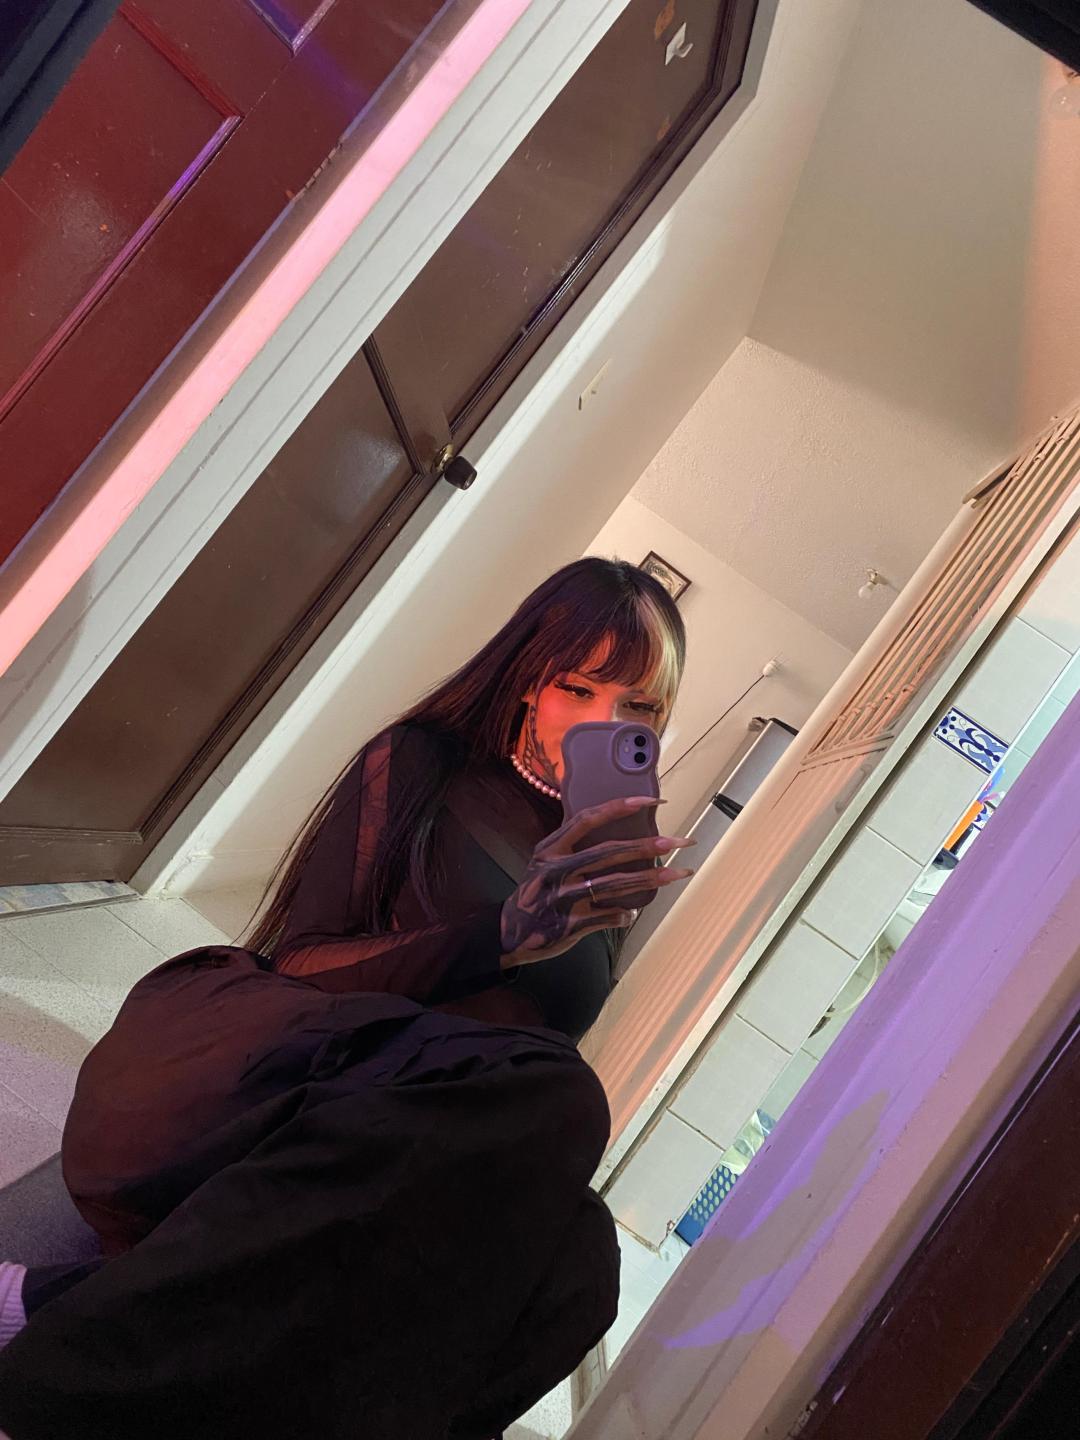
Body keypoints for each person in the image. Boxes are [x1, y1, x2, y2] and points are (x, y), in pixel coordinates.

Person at [0, 558, 693, 1440]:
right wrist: (504, 936)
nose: (607, 722)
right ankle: (53, 1377)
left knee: (583, 1264)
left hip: (431, 1129)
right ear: (527, 680)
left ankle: (75, 1317)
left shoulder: (604, 867)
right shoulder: (424, 763)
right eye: (578, 687)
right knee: (565, 1098)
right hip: (315, 1070)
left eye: (640, 708)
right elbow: (304, 963)